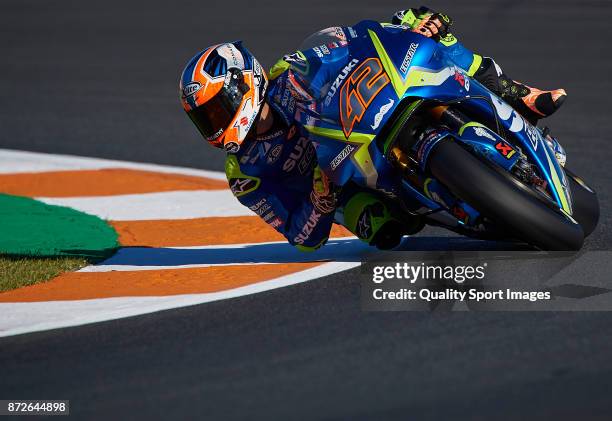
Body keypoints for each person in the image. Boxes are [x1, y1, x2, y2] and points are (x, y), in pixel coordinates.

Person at [179, 7, 567, 251]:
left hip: (363, 124)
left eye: (216, 110)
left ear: (243, 83)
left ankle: (519, 95)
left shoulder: (289, 72)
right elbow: (301, 238)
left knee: (434, 39)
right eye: (205, 118)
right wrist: (320, 202)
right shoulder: (243, 174)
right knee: (379, 227)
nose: (214, 124)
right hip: (345, 186)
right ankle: (448, 203)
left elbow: (349, 42)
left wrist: (403, 27)